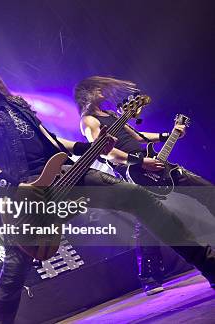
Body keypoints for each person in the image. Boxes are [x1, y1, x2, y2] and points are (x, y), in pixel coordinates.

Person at [0, 56, 215, 323]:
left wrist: (89, 148)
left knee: (138, 197)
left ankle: (209, 264)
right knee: (15, 266)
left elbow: (53, 141)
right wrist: (10, 184)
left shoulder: (17, 104)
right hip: (23, 189)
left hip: (64, 173)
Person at [75, 76, 215, 295]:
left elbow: (139, 137)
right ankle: (150, 277)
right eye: (97, 88)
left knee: (205, 190)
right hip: (133, 169)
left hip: (154, 161)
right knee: (151, 219)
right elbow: (107, 152)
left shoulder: (112, 115)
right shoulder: (89, 121)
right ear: (87, 92)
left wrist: (169, 134)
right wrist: (140, 162)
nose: (102, 90)